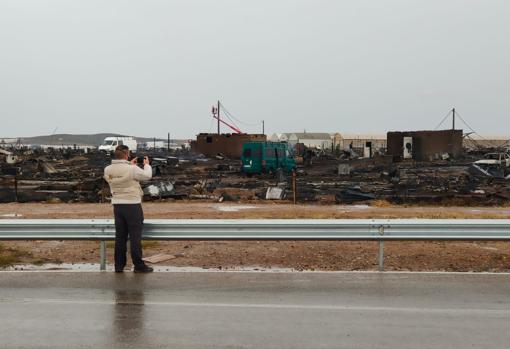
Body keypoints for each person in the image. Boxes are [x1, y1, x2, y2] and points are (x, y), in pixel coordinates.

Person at [104, 145, 153, 273]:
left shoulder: (107, 169)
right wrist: (147, 165)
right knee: (135, 237)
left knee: (120, 237)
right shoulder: (132, 169)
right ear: (127, 154)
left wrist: (129, 165)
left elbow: (114, 180)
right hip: (132, 205)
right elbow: (147, 176)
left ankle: (119, 265)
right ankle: (139, 265)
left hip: (117, 205)